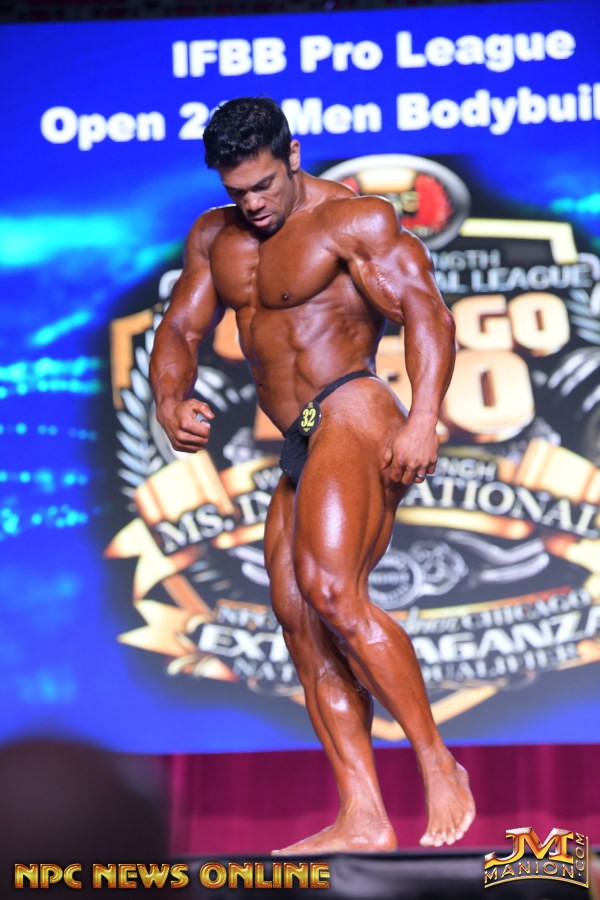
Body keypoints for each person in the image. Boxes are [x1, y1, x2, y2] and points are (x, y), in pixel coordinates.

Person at [149, 96, 475, 853]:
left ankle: (438, 761)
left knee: (332, 590)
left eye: (265, 184)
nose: (253, 204)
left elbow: (427, 312)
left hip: (354, 408)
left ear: (293, 155)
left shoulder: (352, 221)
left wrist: (424, 416)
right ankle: (363, 815)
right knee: (300, 621)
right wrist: (170, 398)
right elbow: (182, 329)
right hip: (299, 435)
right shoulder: (215, 237)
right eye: (238, 191)